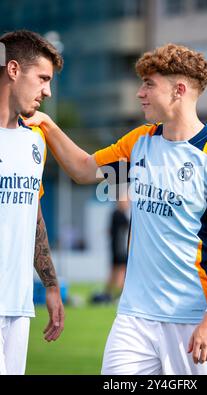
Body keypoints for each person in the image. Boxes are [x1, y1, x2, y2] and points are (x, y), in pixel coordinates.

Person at [25, 43, 207, 375]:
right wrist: (47, 125)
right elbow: (85, 169)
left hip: (194, 319)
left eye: (149, 84)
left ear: (179, 90)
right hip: (135, 318)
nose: (140, 93)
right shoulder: (140, 143)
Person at [0, 30, 65, 375]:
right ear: (13, 69)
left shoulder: (35, 139)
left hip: (19, 304)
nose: (48, 91)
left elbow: (32, 213)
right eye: (42, 78)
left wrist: (51, 285)